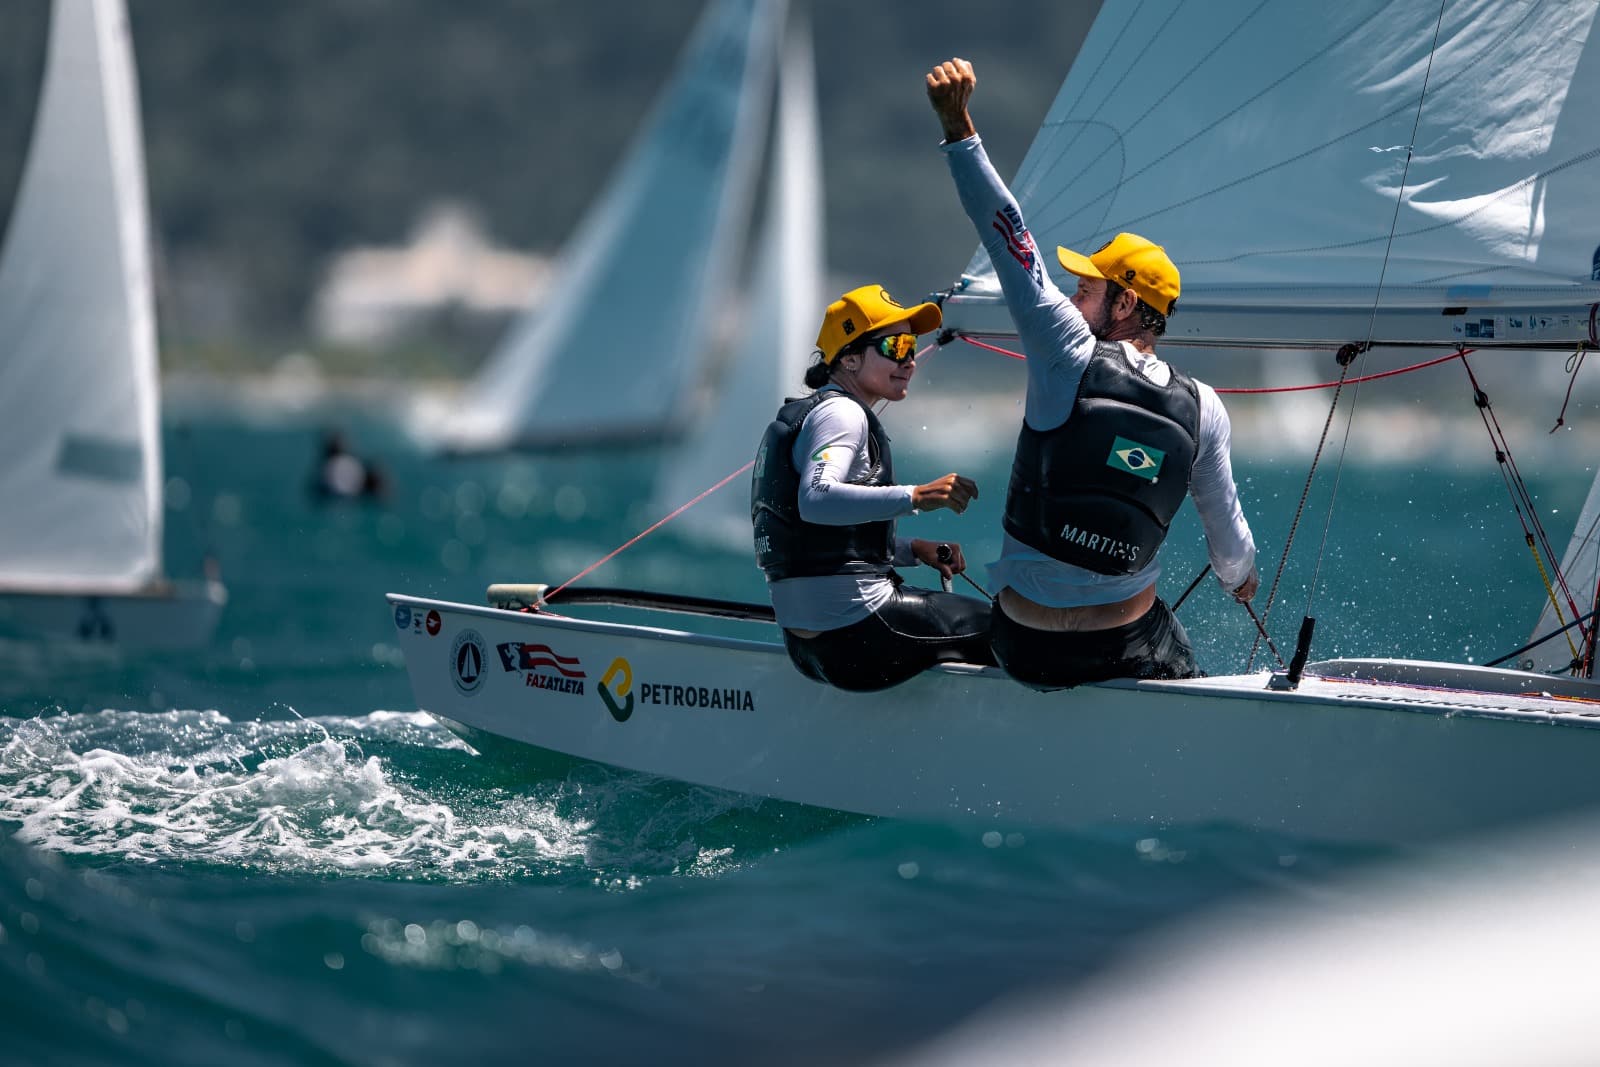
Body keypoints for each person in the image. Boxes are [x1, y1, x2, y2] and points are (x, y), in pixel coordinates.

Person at [924, 58, 1259, 691]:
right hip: (1122, 647)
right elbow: (1230, 545)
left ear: (1126, 304)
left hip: (1025, 645)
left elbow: (1008, 235)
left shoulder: (1065, 351)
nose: (1072, 300)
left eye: (1085, 289)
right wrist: (1240, 579)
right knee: (1178, 648)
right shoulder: (1205, 408)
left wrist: (958, 127)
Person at [751, 284, 997, 692]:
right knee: (1012, 633)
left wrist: (909, 549)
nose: (911, 361)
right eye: (897, 346)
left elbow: (816, 537)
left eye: (913, 347)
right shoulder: (843, 413)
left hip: (809, 645)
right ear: (849, 357)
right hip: (859, 633)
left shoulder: (815, 412)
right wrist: (915, 496)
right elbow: (816, 500)